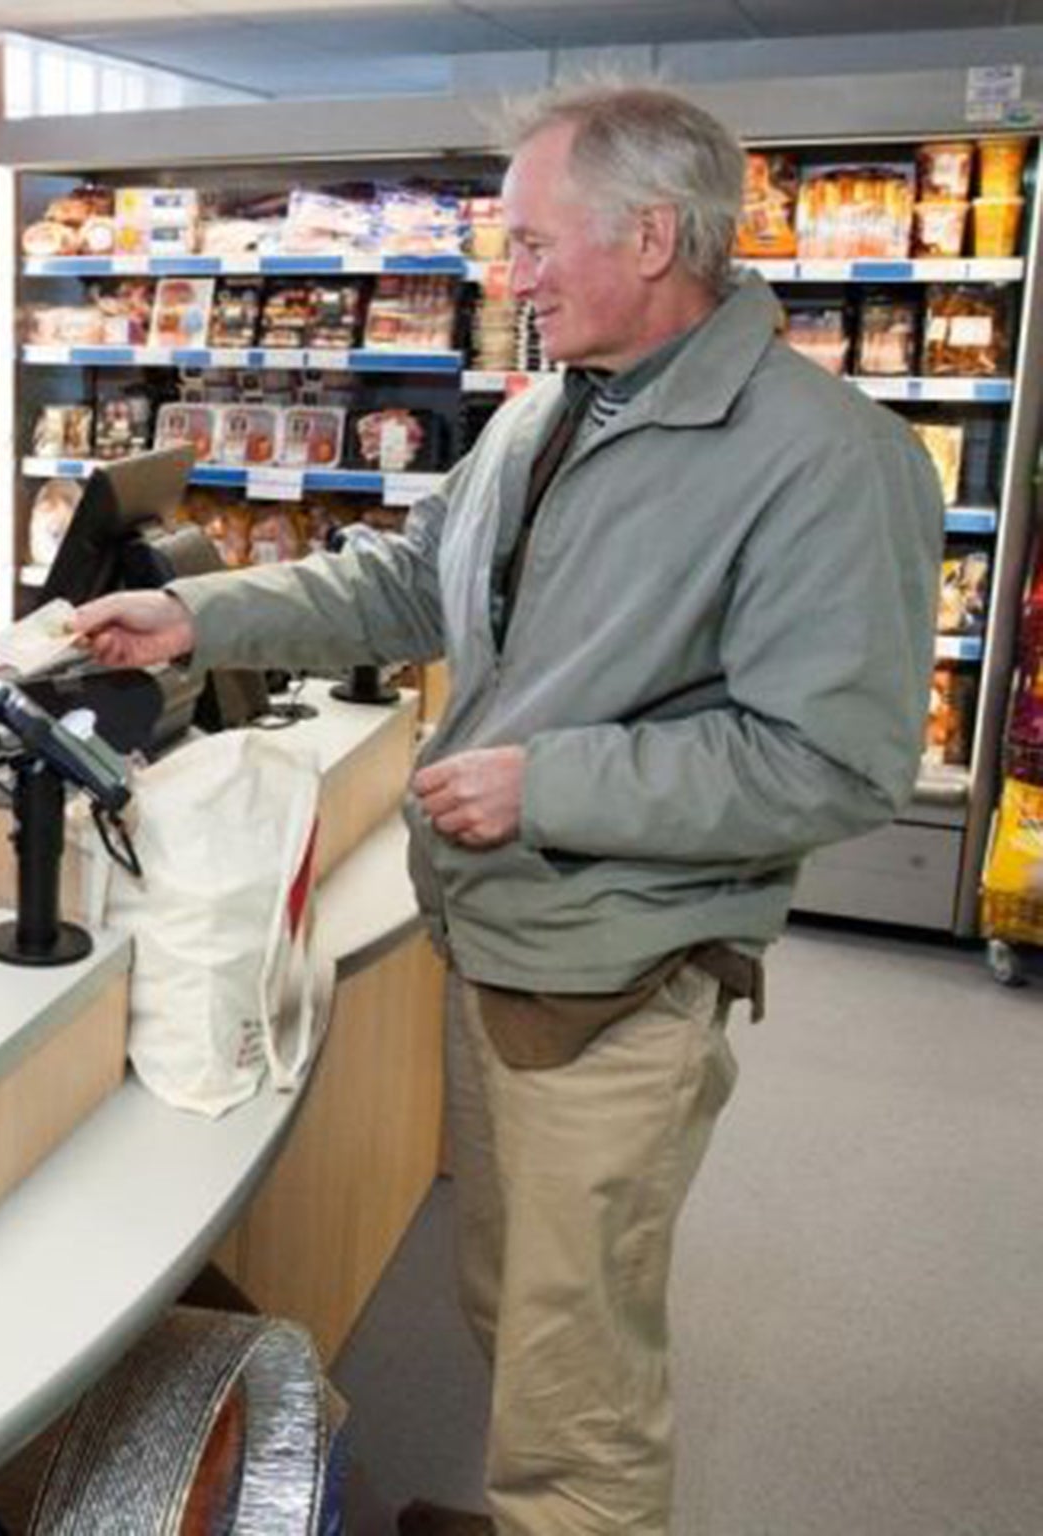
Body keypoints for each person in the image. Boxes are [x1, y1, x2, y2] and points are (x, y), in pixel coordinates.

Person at [74, 83, 941, 1536]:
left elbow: (836, 763)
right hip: (498, 943)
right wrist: (192, 614)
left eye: (535, 244)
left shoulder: (826, 459)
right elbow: (408, 583)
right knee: (516, 1311)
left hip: (619, 981)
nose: (507, 276)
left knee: (580, 1394)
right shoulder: (551, 407)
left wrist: (553, 780)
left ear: (655, 236)